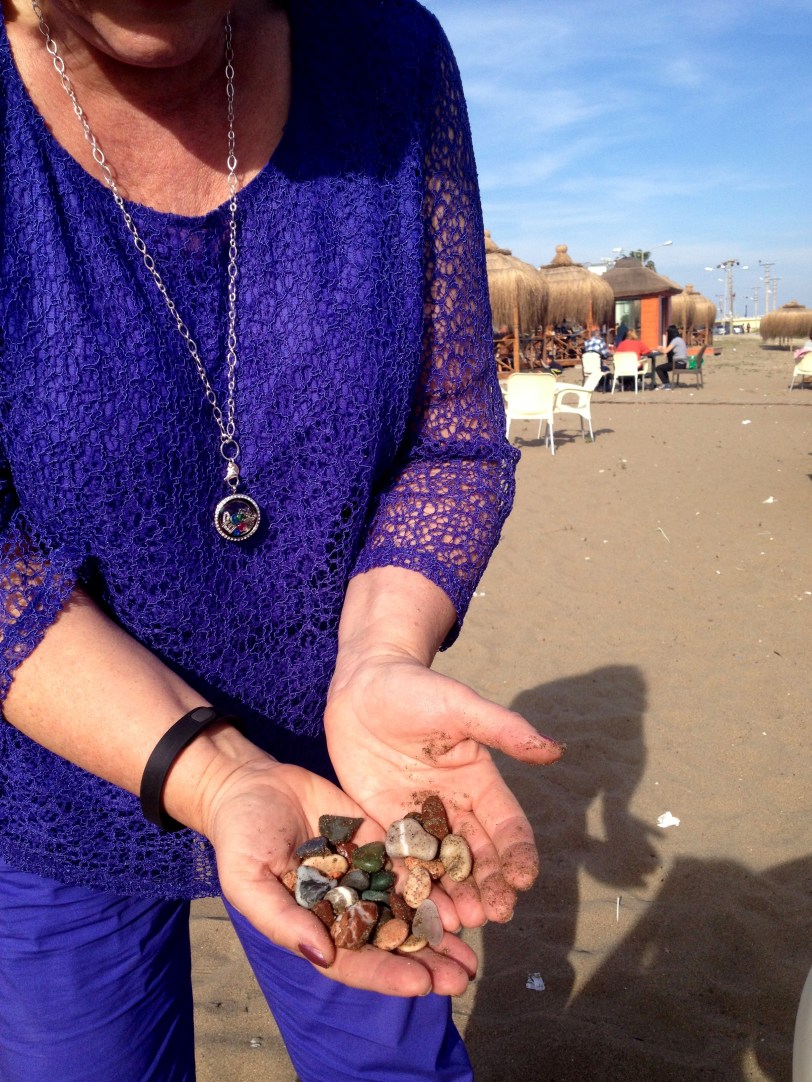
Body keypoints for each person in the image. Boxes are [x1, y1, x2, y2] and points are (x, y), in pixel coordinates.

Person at [0, 2, 564, 1080]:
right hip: (55, 780)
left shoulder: (391, 59)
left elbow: (451, 434)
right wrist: (215, 777)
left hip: (344, 777)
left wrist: (381, 653)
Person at [655, 324, 689, 389]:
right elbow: (668, 349)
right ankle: (666, 383)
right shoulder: (680, 339)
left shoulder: (675, 340)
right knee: (663, 367)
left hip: (678, 363)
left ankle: (666, 384)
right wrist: (662, 349)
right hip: (683, 363)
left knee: (658, 368)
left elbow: (665, 351)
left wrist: (659, 349)